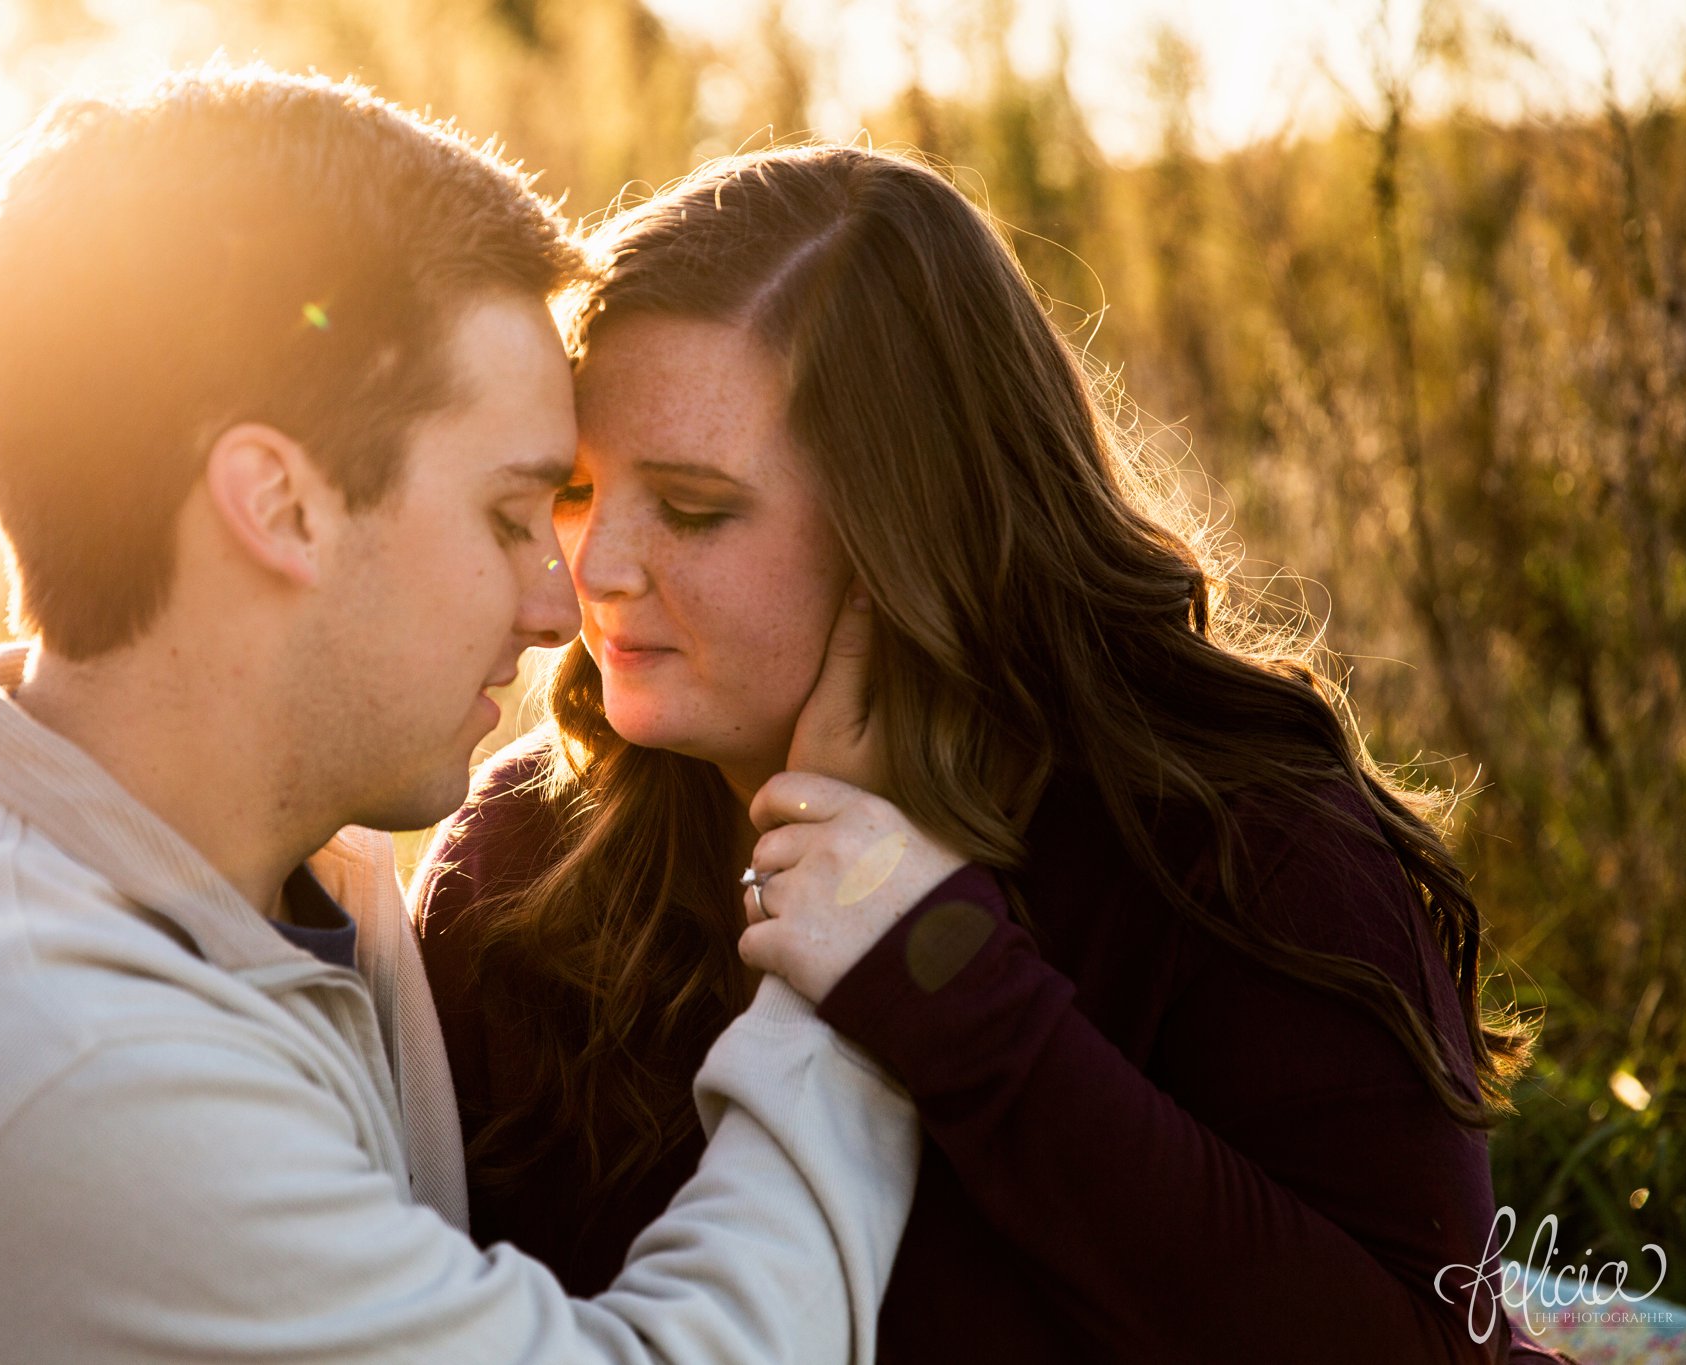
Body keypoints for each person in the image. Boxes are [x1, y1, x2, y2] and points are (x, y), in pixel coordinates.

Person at [0, 70, 928, 1363]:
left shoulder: (280, 870)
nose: (562, 604)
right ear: (278, 506)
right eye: (509, 515)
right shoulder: (77, 1064)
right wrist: (860, 957)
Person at [416, 145, 1574, 1363]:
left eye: (694, 509)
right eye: (576, 491)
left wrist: (949, 988)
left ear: (911, 524)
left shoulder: (1238, 848)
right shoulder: (521, 864)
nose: (589, 571)